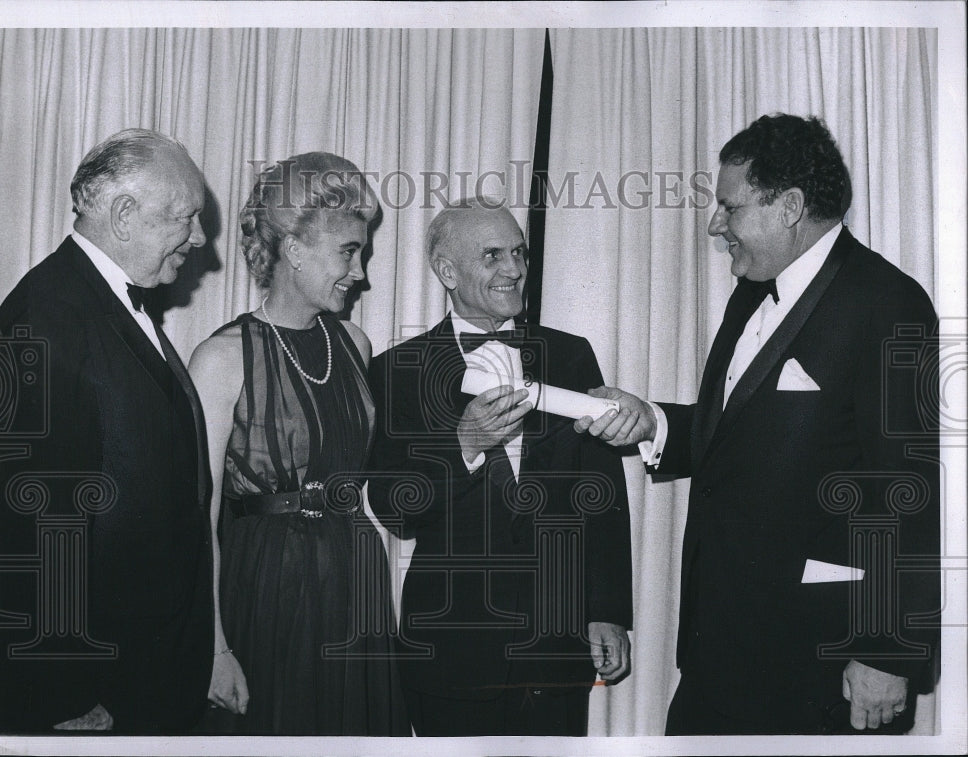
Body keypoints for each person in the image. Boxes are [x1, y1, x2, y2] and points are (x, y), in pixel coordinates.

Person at [576, 114, 940, 735]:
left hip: (817, 668)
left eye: (730, 207)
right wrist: (652, 423)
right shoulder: (751, 291)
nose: (716, 225)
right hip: (718, 652)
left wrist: (887, 652)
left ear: (791, 205)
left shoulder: (889, 303)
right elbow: (744, 434)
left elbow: (911, 489)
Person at [366, 198, 633, 736]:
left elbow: (602, 493)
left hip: (556, 652)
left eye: (518, 253)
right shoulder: (394, 371)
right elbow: (395, 510)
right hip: (450, 653)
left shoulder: (570, 355)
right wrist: (462, 443)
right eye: (492, 255)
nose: (513, 270)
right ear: (447, 271)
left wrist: (608, 610)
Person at [0, 129, 215, 733]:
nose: (198, 239)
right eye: (186, 218)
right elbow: (33, 525)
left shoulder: (105, 302)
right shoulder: (46, 315)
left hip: (146, 675)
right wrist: (65, 694)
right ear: (122, 214)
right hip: (93, 694)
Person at [187, 152, 408, 735]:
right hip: (266, 582)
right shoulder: (221, 358)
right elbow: (197, 517)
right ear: (294, 250)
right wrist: (213, 648)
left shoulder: (354, 343)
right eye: (348, 252)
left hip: (354, 574)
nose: (360, 273)